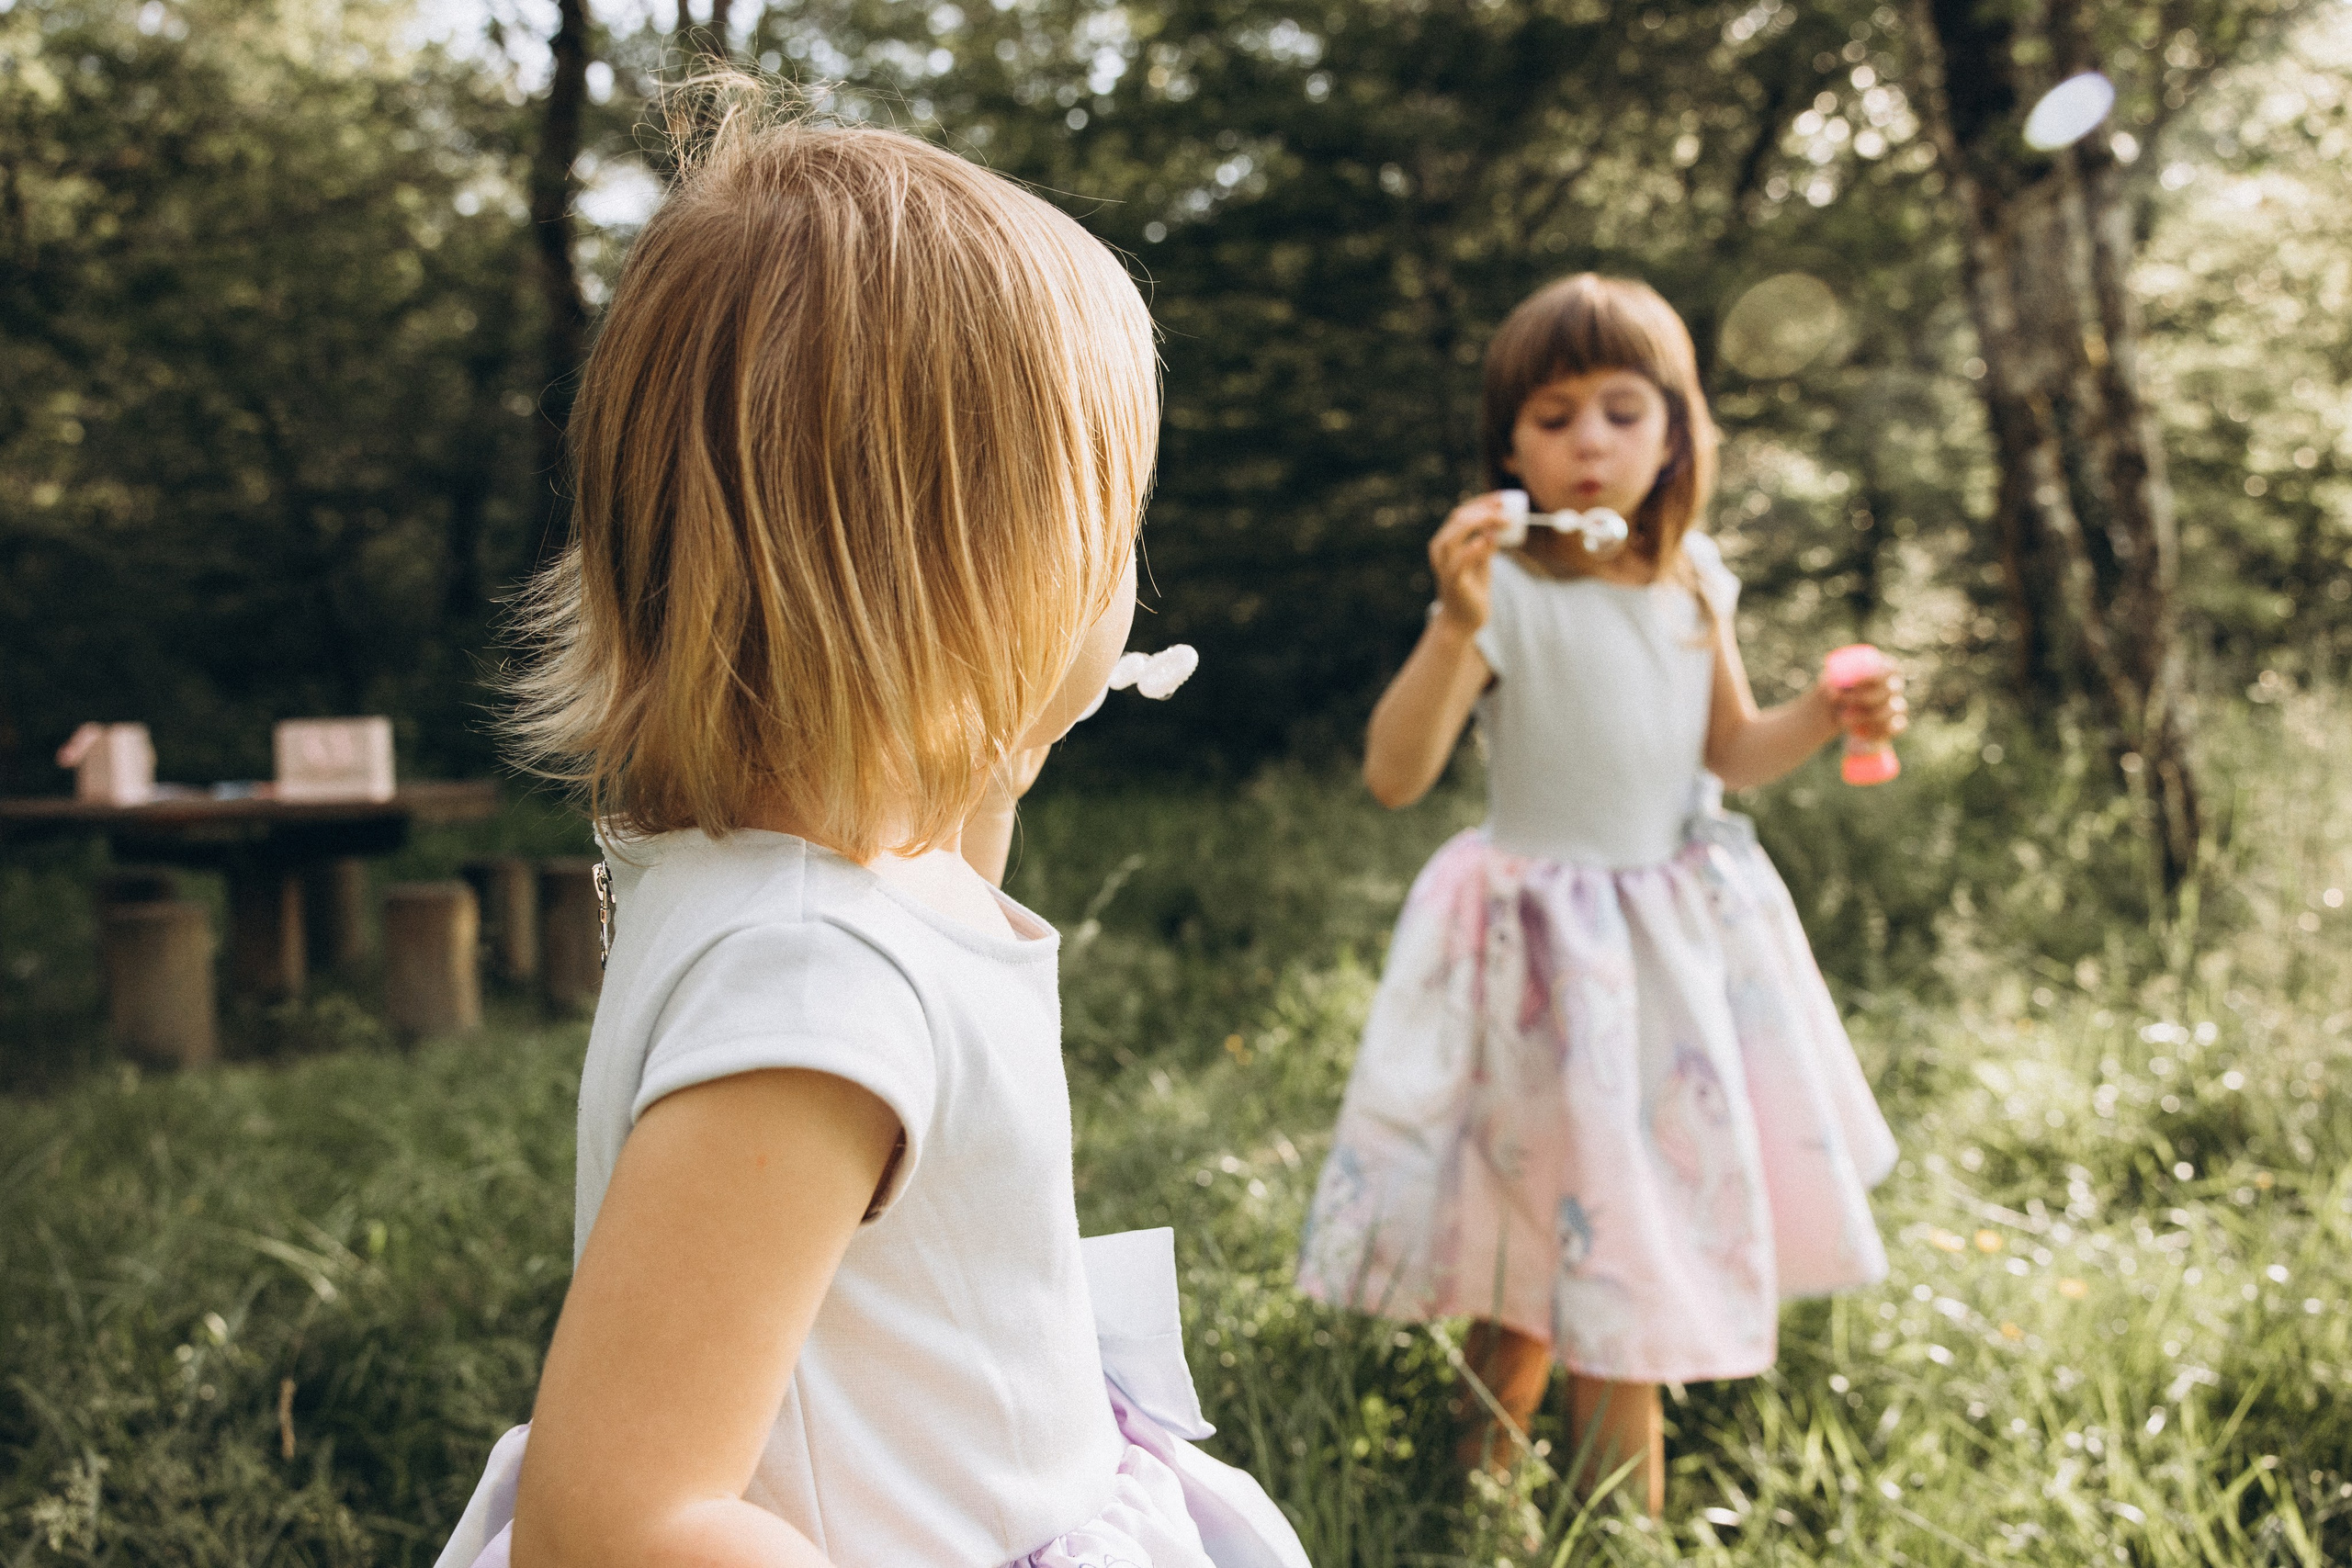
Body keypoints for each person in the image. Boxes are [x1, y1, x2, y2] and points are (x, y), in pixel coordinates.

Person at [432, 89, 1311, 1568]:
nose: (1128, 584)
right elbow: (615, 1520)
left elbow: (950, 931)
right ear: (976, 575)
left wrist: (987, 753)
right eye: (1112, 533)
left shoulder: (840, 885)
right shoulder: (809, 981)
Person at [1293, 274, 1905, 1515]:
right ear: (1508, 446)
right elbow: (1395, 774)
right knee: (1553, 1236)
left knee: (1615, 1225)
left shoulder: (1694, 579)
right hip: (1543, 959)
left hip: (1669, 948)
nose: (1589, 442)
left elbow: (1727, 753)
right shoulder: (1502, 591)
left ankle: (1550, 1514)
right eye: (1555, 415)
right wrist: (1457, 626)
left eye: (1623, 412)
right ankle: (1520, 1507)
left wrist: (1823, 716)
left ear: (1677, 432)